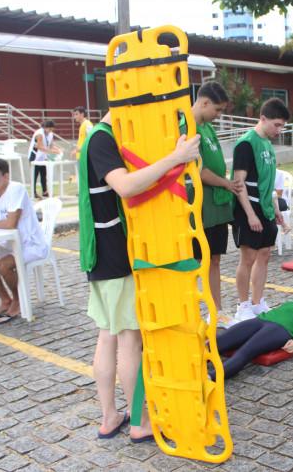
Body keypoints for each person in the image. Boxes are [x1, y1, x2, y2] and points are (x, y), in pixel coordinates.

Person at [78, 111, 200, 442]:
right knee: (129, 337)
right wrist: (177, 157)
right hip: (113, 255)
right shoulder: (102, 139)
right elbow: (127, 186)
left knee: (108, 335)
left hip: (100, 254)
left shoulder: (96, 137)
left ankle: (110, 417)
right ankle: (138, 422)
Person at [183, 82, 243, 327]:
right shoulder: (187, 127)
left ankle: (216, 312)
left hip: (217, 207)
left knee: (214, 259)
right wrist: (226, 184)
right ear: (204, 102)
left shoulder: (207, 127)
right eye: (217, 110)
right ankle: (191, 314)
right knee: (196, 261)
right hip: (200, 206)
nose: (219, 116)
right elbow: (198, 170)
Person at [230, 98, 289, 324]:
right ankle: (242, 306)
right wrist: (250, 214)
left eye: (282, 126)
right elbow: (238, 182)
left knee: (264, 255)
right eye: (276, 124)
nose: (279, 130)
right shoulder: (246, 144)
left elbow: (269, 180)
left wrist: (275, 207)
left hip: (265, 208)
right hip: (248, 208)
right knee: (248, 257)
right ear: (263, 119)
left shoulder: (267, 144)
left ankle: (257, 302)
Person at [0, 159, 48, 325]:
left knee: (4, 265)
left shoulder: (16, 189)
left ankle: (18, 301)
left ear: (6, 176)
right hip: (9, 244)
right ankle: (5, 300)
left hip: (31, 244)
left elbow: (11, 224)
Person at [215, 300, 293, 379]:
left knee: (245, 351)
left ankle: (211, 377)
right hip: (261, 319)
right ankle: (196, 364)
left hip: (281, 329)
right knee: (221, 340)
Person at [28, 120, 62, 198]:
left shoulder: (50, 134)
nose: (50, 131)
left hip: (43, 156)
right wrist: (52, 151)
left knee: (44, 174)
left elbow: (51, 145)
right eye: (49, 129)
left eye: (52, 129)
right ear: (45, 127)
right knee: (34, 175)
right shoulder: (39, 134)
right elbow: (39, 147)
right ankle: (33, 192)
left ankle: (45, 191)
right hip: (35, 156)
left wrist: (58, 149)